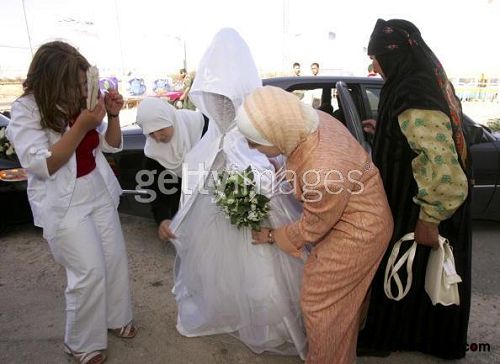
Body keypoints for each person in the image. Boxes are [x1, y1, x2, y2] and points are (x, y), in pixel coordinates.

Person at [168, 28, 308, 359]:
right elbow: (196, 177)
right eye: (214, 98)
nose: (219, 105)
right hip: (222, 214)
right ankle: (236, 312)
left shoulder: (254, 134)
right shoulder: (214, 137)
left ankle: (269, 324)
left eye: (223, 97)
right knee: (229, 271)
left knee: (264, 270)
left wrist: (250, 194)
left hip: (261, 213)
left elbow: (268, 170)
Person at [236, 85, 394, 364]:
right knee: (340, 307)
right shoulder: (311, 120)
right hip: (356, 212)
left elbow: (312, 227)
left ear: (278, 133)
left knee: (320, 306)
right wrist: (283, 170)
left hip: (358, 232)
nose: (251, 148)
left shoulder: (323, 174)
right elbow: (301, 158)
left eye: (256, 142)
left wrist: (273, 234)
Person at [6, 41, 135, 364]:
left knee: (114, 258)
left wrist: (114, 115)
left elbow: (112, 145)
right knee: (88, 270)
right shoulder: (26, 110)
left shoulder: (83, 103)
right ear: (52, 81)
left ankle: (115, 317)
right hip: (63, 200)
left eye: (82, 83)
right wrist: (81, 126)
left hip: (97, 190)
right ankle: (80, 343)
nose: (81, 90)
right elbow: (43, 165)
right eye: (75, 85)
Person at [357, 19, 471, 360]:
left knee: (409, 271)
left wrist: (430, 217)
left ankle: (394, 338)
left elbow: (442, 166)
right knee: (416, 275)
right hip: (417, 202)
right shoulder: (416, 82)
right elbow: (423, 135)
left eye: (375, 58)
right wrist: (387, 126)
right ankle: (412, 337)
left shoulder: (413, 90)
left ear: (392, 57)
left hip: (420, 206)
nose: (372, 67)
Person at [136, 97, 209, 240]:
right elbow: (156, 188)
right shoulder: (153, 153)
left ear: (170, 118)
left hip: (213, 205)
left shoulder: (202, 127)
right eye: (151, 133)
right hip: (184, 214)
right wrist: (163, 218)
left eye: (160, 129)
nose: (157, 137)